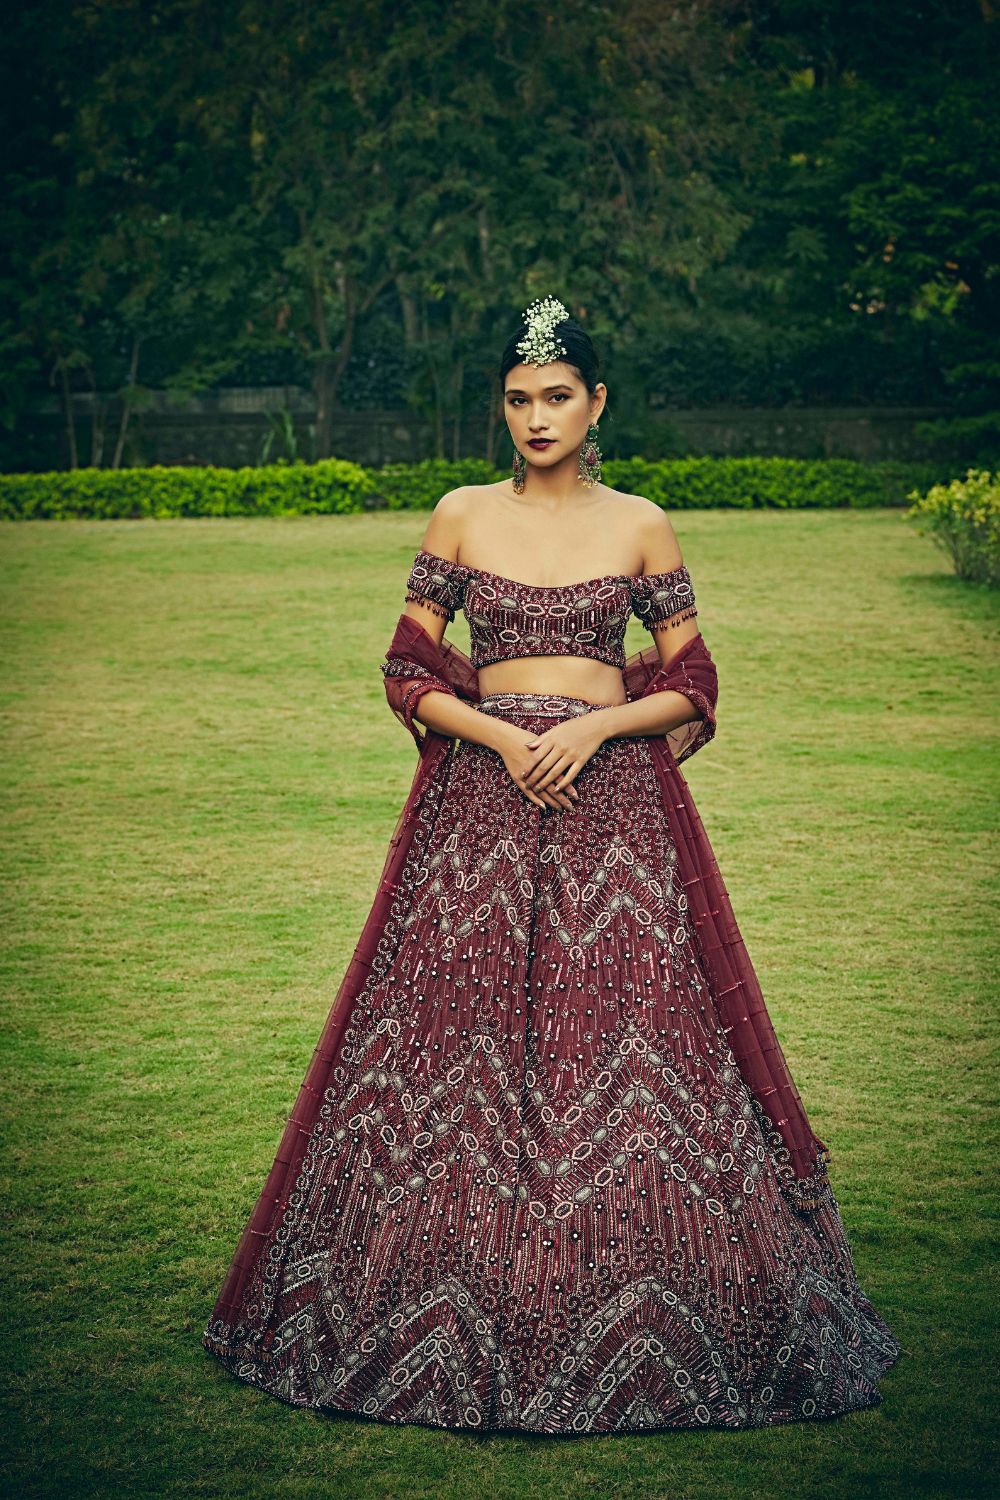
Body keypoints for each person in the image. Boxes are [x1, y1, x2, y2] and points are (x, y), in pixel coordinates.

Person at [202, 295, 901, 1434]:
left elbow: (693, 681)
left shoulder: (640, 524)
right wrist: (504, 735)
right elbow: (407, 670)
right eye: (519, 400)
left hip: (616, 802)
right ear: (503, 407)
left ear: (596, 404)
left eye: (557, 398)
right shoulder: (462, 515)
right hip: (477, 801)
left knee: (632, 1032)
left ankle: (654, 1283)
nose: (536, 417)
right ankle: (421, 1284)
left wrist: (595, 728)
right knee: (450, 1041)